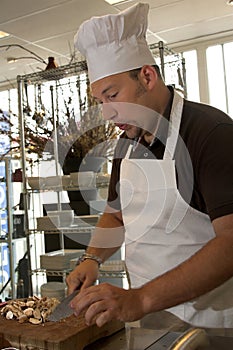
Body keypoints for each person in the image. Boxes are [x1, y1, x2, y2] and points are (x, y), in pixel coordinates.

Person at [66, 2, 233, 336]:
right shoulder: (128, 141)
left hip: (213, 327)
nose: (109, 113)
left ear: (147, 76)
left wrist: (139, 299)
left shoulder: (211, 132)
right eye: (101, 102)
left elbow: (230, 241)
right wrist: (91, 259)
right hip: (151, 322)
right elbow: (117, 215)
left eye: (113, 95)